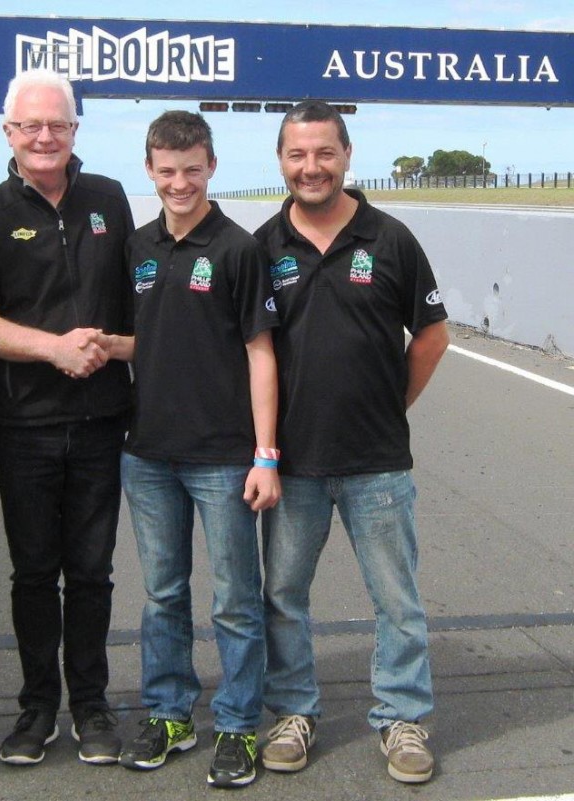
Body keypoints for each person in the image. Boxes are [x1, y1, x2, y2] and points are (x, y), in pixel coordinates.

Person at [253, 100, 450, 784]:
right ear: (281, 161)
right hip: (293, 462)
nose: (312, 167)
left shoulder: (390, 238)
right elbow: (251, 352)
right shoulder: (262, 246)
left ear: (346, 155)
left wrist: (392, 406)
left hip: (377, 464)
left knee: (397, 598)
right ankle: (291, 711)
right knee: (282, 593)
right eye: (298, 154)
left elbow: (432, 336)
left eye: (324, 153)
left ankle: (402, 717)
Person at [0, 69, 134, 767]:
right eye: (30, 125)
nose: (43, 136)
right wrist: (56, 349)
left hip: (101, 417)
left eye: (56, 124)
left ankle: (90, 703)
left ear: (74, 131)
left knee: (92, 571)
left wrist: (114, 348)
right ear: (8, 132)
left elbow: (136, 297)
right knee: (34, 571)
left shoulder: (110, 199)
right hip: (24, 423)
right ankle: (37, 707)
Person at [115, 110, 281, 789]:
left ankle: (239, 722)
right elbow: (148, 337)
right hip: (148, 452)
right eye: (166, 170)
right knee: (162, 593)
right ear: (149, 171)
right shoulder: (137, 247)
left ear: (211, 166)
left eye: (191, 169)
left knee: (236, 599)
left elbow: (260, 351)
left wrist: (265, 452)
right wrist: (97, 346)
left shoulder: (239, 249)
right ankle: (170, 711)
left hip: (222, 456)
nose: (179, 182)